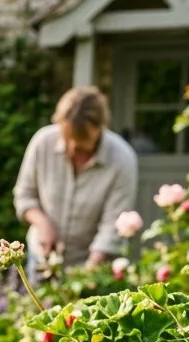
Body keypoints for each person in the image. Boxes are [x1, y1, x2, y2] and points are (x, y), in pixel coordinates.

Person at [14, 86, 138, 273]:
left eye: (80, 145)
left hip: (91, 264)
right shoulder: (42, 143)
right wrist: (43, 223)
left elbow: (112, 224)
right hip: (42, 259)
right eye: (66, 138)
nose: (71, 148)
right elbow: (24, 196)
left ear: (100, 127)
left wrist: (86, 275)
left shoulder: (122, 159)